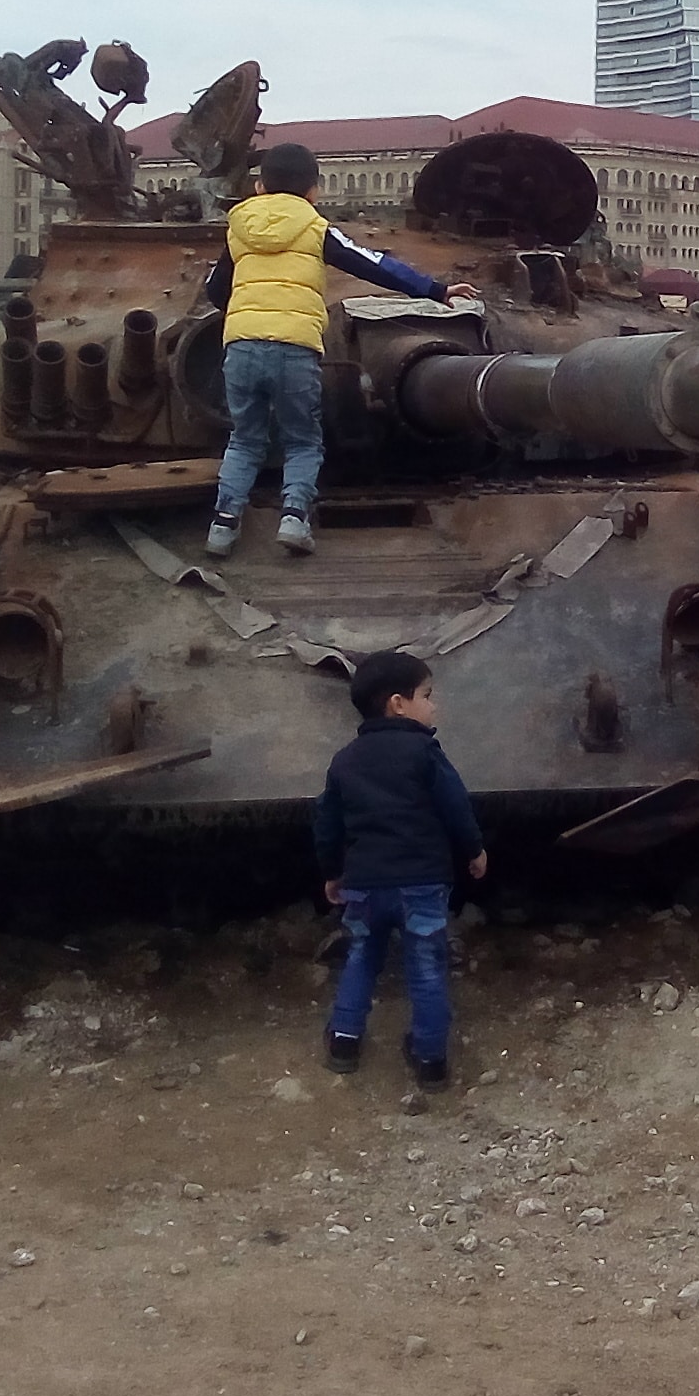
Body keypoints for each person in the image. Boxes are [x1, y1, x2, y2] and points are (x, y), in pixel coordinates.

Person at [201, 142, 449, 558]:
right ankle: (294, 520)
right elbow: (372, 263)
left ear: (259, 187)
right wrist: (435, 290)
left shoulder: (238, 227)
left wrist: (249, 313)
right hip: (294, 349)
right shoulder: (315, 228)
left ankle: (222, 527)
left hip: (242, 346)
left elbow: (215, 288)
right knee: (301, 439)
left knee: (244, 439)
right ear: (314, 190)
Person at [314, 651, 487, 1088]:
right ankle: (430, 1060)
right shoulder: (425, 752)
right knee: (426, 965)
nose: (434, 706)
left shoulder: (344, 760)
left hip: (365, 885)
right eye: (426, 695)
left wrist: (333, 872)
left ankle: (344, 1042)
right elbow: (455, 805)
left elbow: (328, 824)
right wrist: (474, 849)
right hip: (422, 884)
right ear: (398, 704)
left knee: (361, 956)